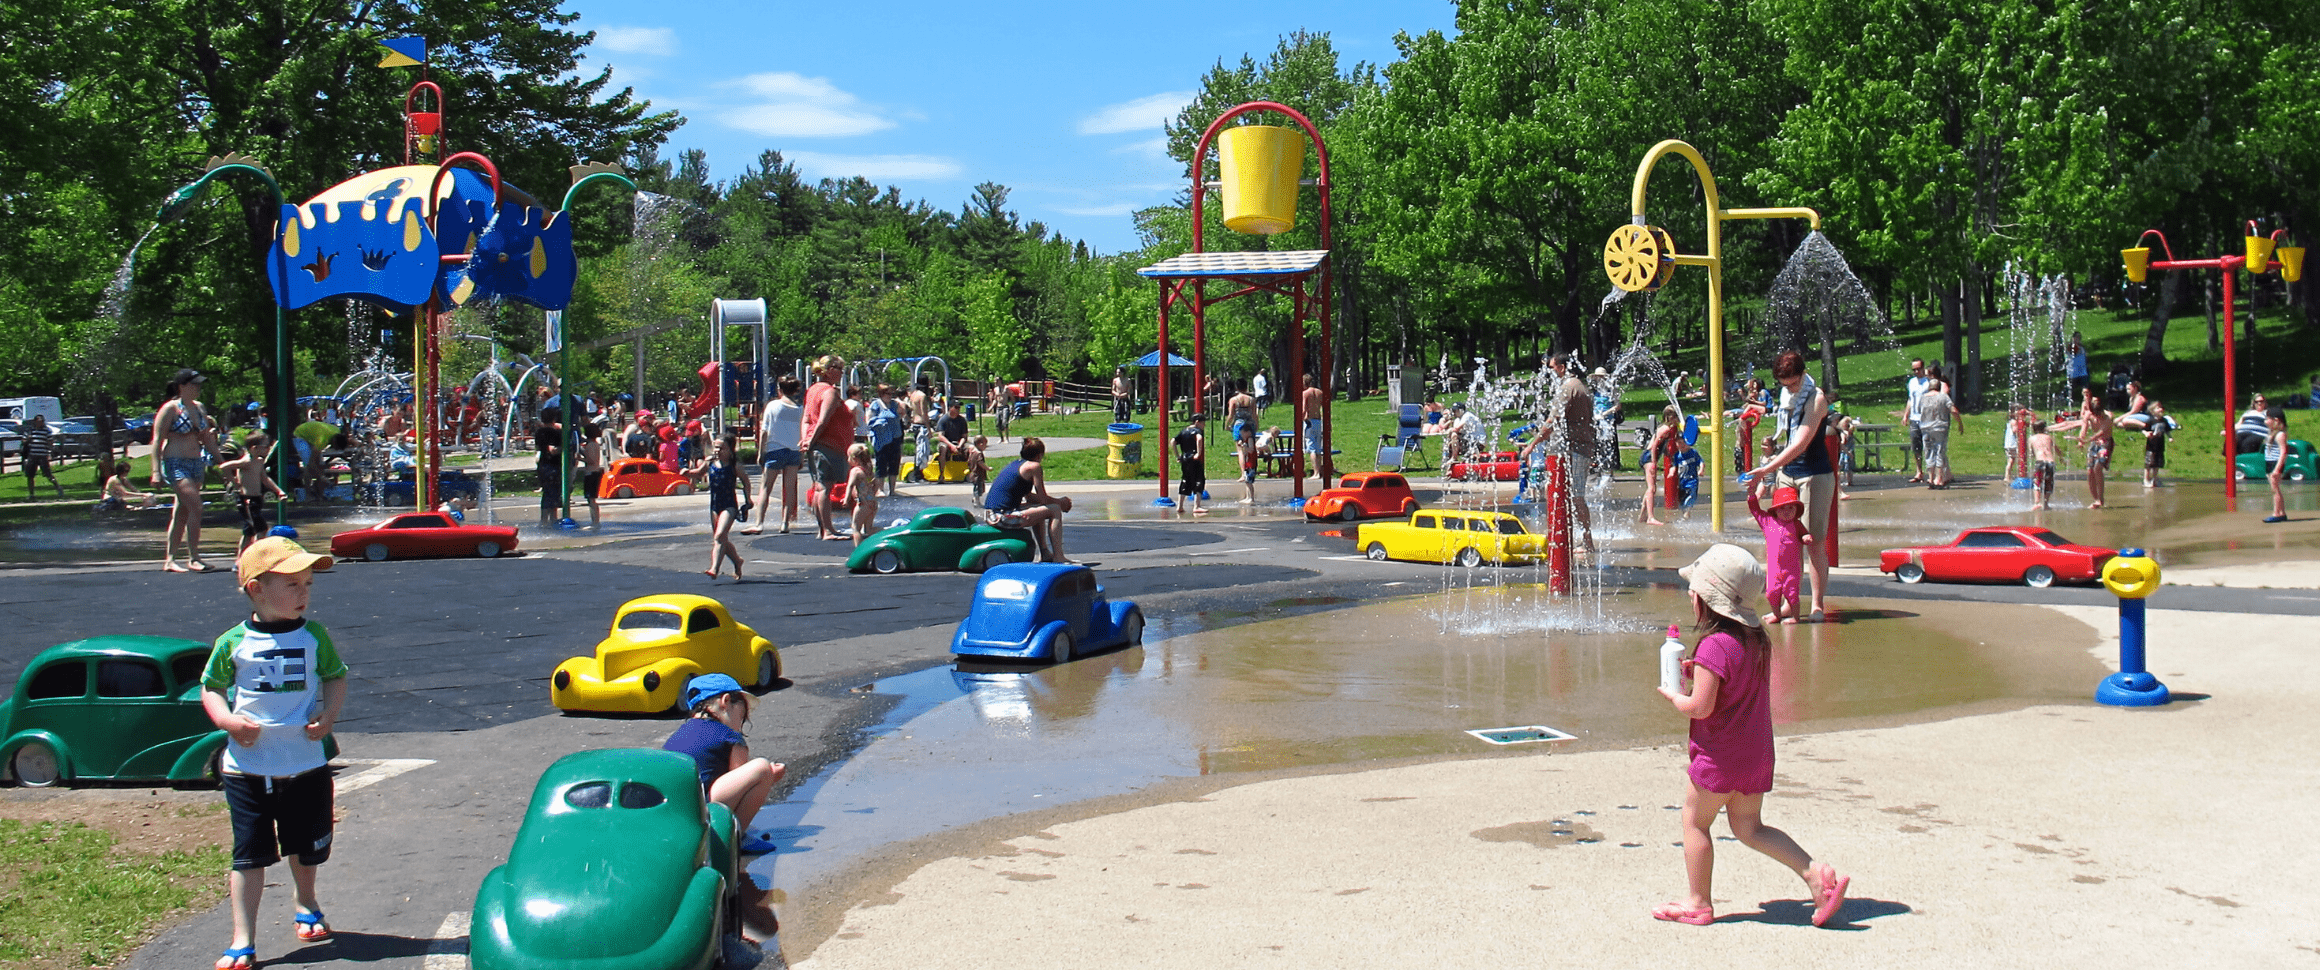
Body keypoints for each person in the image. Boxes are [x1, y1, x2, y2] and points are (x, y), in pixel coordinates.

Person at [1653, 544, 1849, 929]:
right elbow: (1733, 686)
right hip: (1755, 754)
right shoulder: (1757, 639)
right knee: (1749, 827)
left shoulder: (1713, 645)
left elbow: (1701, 708)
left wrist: (1678, 696)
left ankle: (1698, 902)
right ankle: (1814, 875)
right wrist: (1702, 674)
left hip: (1719, 757)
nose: (1690, 596)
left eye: (1694, 591)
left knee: (1695, 823)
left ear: (1706, 600)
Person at [202, 537, 348, 969]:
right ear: (256, 589)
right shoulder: (233, 642)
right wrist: (228, 722)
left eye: (307, 584)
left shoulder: (314, 636)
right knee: (249, 853)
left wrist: (329, 715)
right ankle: (242, 938)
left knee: (306, 847)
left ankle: (306, 902)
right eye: (292, 585)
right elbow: (210, 689)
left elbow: (335, 677)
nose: (304, 593)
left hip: (305, 764)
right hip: (247, 768)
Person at [660, 673, 785, 938]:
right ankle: (735, 837)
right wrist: (769, 777)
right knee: (760, 769)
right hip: (704, 810)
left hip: (673, 810)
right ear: (727, 701)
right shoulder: (730, 737)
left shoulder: (678, 735)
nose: (744, 722)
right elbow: (738, 781)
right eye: (745, 714)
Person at [1743, 351, 1836, 619]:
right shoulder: (1786, 396)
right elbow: (1784, 430)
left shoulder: (1816, 399)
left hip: (1814, 474)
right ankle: (1788, 603)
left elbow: (1800, 443)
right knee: (1787, 542)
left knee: (1814, 541)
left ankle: (1817, 603)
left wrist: (1767, 468)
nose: (1789, 388)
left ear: (1803, 374)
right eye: (1784, 384)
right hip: (1787, 473)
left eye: (1793, 383)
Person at [152, 369, 223, 572]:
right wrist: (155, 471)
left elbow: (207, 440)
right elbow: (157, 441)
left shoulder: (199, 408)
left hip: (196, 462)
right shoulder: (170, 409)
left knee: (181, 512)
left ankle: (171, 558)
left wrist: (221, 464)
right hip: (176, 462)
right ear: (181, 386)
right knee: (196, 506)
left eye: (199, 385)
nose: (198, 388)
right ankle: (194, 556)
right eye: (194, 385)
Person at [982, 437, 1073, 562]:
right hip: (1001, 516)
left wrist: (1057, 502)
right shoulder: (1034, 467)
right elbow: (1043, 498)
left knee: (1039, 508)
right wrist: (1061, 502)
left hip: (992, 514)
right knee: (1055, 510)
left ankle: (1045, 553)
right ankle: (1059, 556)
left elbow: (1031, 497)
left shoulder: (1017, 464)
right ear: (1040, 454)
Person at [800, 356, 856, 541]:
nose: (841, 373)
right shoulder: (830, 392)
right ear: (829, 370)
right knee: (824, 488)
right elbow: (822, 421)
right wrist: (811, 440)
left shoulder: (813, 390)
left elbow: (807, 419)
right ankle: (827, 531)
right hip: (829, 446)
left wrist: (806, 439)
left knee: (819, 487)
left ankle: (823, 529)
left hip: (820, 445)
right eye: (839, 369)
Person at [1546, 354, 1598, 552]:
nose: (1550, 372)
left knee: (1576, 496)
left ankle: (1587, 542)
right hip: (1579, 447)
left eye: (1552, 368)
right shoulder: (1580, 386)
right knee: (1570, 495)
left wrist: (1532, 444)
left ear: (1562, 367)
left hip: (1576, 448)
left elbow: (1552, 421)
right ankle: (1577, 538)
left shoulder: (1568, 388)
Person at [746, 376, 804, 535]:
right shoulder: (799, 409)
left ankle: (759, 523)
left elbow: (765, 431)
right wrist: (802, 455)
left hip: (775, 450)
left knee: (766, 488)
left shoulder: (773, 405)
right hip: (793, 451)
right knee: (790, 488)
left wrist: (761, 452)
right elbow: (801, 432)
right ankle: (785, 522)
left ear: (780, 389)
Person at [1747, 481, 1809, 625]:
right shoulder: (1768, 521)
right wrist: (1752, 495)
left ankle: (1795, 617)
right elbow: (1755, 510)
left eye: (1791, 508)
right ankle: (1777, 614)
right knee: (1771, 593)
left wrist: (1806, 537)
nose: (1787, 511)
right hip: (1774, 568)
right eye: (1782, 508)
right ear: (1775, 510)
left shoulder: (1796, 524)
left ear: (1796, 510)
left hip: (1791, 569)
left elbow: (1803, 534)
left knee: (1792, 594)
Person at [216, 435, 289, 555]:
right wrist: (234, 482)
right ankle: (253, 556)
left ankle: (246, 557)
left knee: (250, 531)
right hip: (247, 500)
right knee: (261, 529)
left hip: (257, 499)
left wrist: (278, 491)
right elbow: (224, 466)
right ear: (254, 448)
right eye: (265, 446)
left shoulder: (259, 462)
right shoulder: (246, 461)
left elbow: (265, 479)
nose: (268, 449)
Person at [692, 433, 751, 580]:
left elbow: (746, 482)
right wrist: (686, 473)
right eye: (715, 447)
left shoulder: (734, 466)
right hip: (715, 504)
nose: (717, 450)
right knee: (721, 538)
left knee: (719, 536)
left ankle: (714, 568)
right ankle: (737, 561)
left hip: (729, 505)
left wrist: (748, 499)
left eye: (721, 448)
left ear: (730, 449)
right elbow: (699, 473)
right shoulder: (710, 463)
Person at [1641, 405, 1683, 527]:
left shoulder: (1671, 428)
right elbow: (1654, 446)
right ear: (1668, 417)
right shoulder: (1665, 429)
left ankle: (1642, 516)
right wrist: (1654, 462)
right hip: (1649, 456)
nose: (1677, 419)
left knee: (1650, 488)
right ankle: (1650, 517)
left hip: (1650, 456)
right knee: (1652, 488)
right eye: (1675, 416)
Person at [1917, 379, 1959, 489]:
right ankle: (1939, 479)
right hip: (1940, 428)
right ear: (1939, 387)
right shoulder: (1943, 397)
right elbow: (1953, 410)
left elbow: (1918, 410)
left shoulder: (1922, 398)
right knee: (1939, 451)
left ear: (1929, 387)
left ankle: (1930, 478)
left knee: (1928, 452)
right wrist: (1960, 423)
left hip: (1925, 428)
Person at [866, 384, 903, 497]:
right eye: (888, 393)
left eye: (891, 394)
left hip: (895, 437)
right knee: (881, 464)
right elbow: (869, 420)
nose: (890, 396)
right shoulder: (875, 404)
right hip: (881, 439)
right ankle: (880, 489)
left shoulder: (895, 404)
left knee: (894, 463)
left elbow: (902, 414)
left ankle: (892, 490)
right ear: (881, 394)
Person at [1902, 358, 1934, 483]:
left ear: (1923, 368)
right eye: (1914, 369)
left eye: (1918, 369)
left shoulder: (1929, 382)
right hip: (1914, 418)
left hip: (1927, 418)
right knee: (1916, 446)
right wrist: (1906, 415)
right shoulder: (1912, 382)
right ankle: (1919, 471)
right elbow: (1910, 399)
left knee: (1928, 445)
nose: (1916, 371)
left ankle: (1931, 472)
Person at [19, 412, 63, 499]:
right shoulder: (30, 431)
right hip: (32, 455)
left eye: (42, 421)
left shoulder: (46, 431)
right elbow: (23, 441)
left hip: (42, 455)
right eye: (39, 421)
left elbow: (50, 442)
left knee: (48, 474)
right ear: (35, 421)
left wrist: (50, 448)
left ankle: (58, 488)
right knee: (30, 475)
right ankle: (31, 494)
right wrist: (28, 439)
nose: (40, 423)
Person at [534, 406, 565, 527]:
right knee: (553, 492)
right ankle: (552, 520)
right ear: (553, 419)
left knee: (547, 492)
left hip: (542, 464)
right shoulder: (554, 433)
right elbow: (552, 450)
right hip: (552, 465)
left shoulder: (539, 432)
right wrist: (565, 448)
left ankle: (544, 520)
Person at [845, 442, 877, 549]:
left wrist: (846, 499)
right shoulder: (868, 469)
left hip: (863, 504)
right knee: (869, 529)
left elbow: (850, 485)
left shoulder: (855, 471)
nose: (847, 460)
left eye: (848, 457)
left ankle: (858, 551)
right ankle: (886, 532)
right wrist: (872, 493)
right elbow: (876, 483)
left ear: (855, 459)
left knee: (856, 528)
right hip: (872, 502)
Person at [1175, 414, 1208, 514]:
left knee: (1185, 480)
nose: (1204, 426)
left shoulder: (1184, 431)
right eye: (1203, 423)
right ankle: (1197, 506)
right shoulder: (1197, 431)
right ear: (1197, 422)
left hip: (1185, 458)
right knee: (1199, 480)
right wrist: (1198, 452)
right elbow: (1199, 439)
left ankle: (1180, 506)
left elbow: (1173, 441)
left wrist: (1177, 455)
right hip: (1194, 458)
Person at [575, 417, 604, 528]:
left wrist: (579, 458)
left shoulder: (591, 445)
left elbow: (591, 460)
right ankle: (594, 521)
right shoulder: (594, 444)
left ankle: (595, 522)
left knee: (591, 500)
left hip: (591, 473)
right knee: (591, 499)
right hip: (594, 472)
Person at [2140, 401, 2176, 489]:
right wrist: (2146, 434)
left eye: (2161, 407)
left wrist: (2170, 437)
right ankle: (2146, 480)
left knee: (2157, 464)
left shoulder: (2164, 420)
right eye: (2158, 408)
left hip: (2160, 445)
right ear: (2152, 411)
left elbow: (2167, 430)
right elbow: (2143, 429)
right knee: (2149, 464)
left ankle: (2155, 480)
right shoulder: (2150, 420)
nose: (2161, 409)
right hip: (2151, 446)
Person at [2262, 408, 2289, 523]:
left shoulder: (2280, 435)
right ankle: (2281, 512)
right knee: (2275, 489)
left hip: (2275, 464)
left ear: (2276, 420)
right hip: (2270, 463)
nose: (2265, 421)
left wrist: (2277, 469)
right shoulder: (2273, 433)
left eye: (2268, 419)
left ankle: (2276, 513)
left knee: (2275, 490)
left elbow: (2283, 452)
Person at [1300, 373, 1327, 480]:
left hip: (1309, 422)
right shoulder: (1320, 392)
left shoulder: (1305, 393)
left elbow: (1303, 409)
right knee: (1318, 448)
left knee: (1311, 448)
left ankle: (1316, 473)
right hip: (1318, 421)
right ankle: (1319, 470)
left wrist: (1301, 418)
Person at [2027, 420, 2059, 510]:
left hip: (2040, 462)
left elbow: (2031, 453)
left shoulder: (2031, 438)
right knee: (2049, 483)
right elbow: (2056, 449)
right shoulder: (2049, 437)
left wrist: (2032, 457)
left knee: (2037, 481)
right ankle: (2045, 504)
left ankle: (2037, 503)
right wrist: (2061, 457)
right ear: (2044, 428)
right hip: (2050, 462)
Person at [2234, 393, 2272, 459]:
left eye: (2261, 401)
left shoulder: (2268, 413)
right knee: (2234, 441)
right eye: (2256, 402)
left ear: (2265, 403)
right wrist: (2228, 430)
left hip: (2257, 434)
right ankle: (2235, 464)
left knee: (2247, 443)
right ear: (2254, 403)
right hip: (2242, 432)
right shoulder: (2248, 412)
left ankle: (2245, 462)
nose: (2259, 403)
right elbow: (2239, 424)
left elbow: (2272, 425)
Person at [1227, 382, 1257, 451]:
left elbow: (1231, 415)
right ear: (1246, 387)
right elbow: (1254, 414)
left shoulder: (1233, 400)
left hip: (1238, 424)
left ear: (1237, 388)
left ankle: (1242, 461)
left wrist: (1227, 425)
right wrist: (1256, 425)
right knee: (1251, 447)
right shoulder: (1252, 400)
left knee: (1240, 450)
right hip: (1250, 424)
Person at [967, 435, 991, 504]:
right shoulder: (979, 453)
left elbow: (969, 461)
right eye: (985, 444)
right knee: (978, 488)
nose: (986, 446)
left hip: (973, 473)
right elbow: (980, 462)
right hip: (978, 474)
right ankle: (976, 500)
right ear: (980, 444)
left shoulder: (972, 452)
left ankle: (976, 498)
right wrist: (987, 468)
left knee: (977, 487)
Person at [2066, 332, 2090, 404]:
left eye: (2079, 338)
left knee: (2085, 387)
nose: (2078, 339)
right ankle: (2069, 400)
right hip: (2073, 371)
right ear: (2073, 338)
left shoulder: (2081, 347)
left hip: (2082, 371)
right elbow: (2074, 352)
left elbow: (2085, 356)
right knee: (2071, 387)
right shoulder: (2071, 347)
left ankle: (2086, 401)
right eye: (2076, 337)